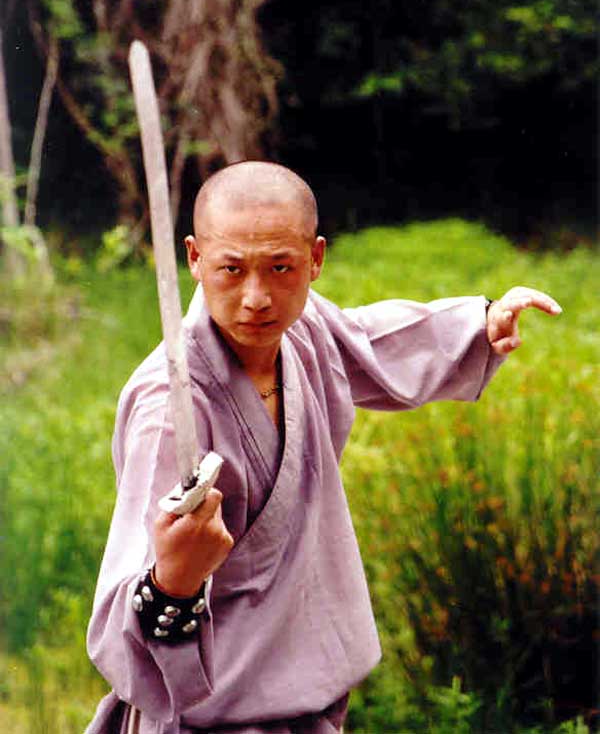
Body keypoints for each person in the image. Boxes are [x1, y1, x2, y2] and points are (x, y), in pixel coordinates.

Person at [85, 162, 561, 734]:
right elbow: (120, 623)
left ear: (315, 259)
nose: (256, 298)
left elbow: (368, 340)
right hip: (209, 717)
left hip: (308, 705)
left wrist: (479, 324)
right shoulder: (171, 411)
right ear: (194, 260)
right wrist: (172, 584)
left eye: (280, 268)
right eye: (230, 270)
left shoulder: (305, 332)